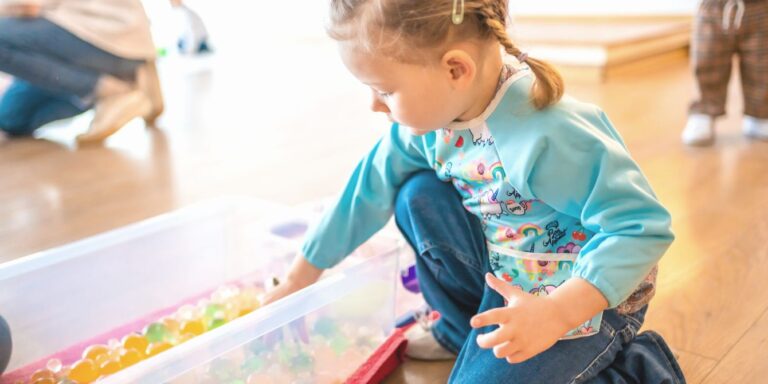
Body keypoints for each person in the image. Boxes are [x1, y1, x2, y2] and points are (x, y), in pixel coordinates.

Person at [263, 0, 685, 382]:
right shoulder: (431, 120)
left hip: (584, 299)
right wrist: (300, 277)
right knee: (416, 194)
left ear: (455, 69)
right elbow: (368, 187)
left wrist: (557, 313)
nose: (375, 105)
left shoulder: (549, 134)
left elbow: (640, 228)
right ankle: (455, 327)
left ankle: (637, 371)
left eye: (385, 90)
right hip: (506, 264)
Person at [0, 0, 163, 145]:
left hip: (103, 35)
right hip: (117, 46)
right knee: (10, 118)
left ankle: (108, 90)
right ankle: (119, 85)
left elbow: (28, 5)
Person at [682, 0, 768, 146]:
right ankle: (704, 112)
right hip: (713, 7)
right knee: (707, 60)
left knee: (761, 63)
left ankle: (759, 113)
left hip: (760, 7)